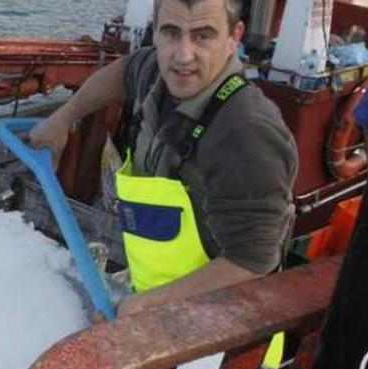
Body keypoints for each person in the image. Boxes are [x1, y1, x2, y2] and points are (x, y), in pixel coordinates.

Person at [29, 0, 297, 329]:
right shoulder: (156, 74)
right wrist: (63, 117)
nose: (183, 55)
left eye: (203, 36)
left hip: (220, 338)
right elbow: (123, 72)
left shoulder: (246, 130)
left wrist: (147, 306)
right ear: (155, 30)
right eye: (171, 33)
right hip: (155, 306)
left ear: (234, 36)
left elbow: (253, 260)